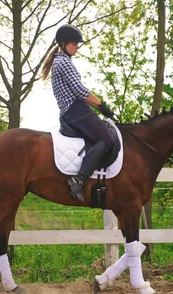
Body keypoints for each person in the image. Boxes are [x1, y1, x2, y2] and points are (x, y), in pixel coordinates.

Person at [41, 24, 115, 202]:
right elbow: (79, 90)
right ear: (63, 43)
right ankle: (78, 179)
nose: (77, 47)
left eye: (78, 44)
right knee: (107, 139)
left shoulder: (62, 61)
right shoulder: (63, 62)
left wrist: (98, 107)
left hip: (74, 110)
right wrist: (101, 105)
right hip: (76, 110)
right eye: (74, 44)